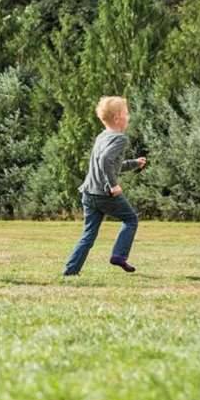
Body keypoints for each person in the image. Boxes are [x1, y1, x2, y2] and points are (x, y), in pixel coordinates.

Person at [63, 96, 146, 276]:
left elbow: (109, 165)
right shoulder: (120, 138)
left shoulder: (102, 136)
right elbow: (105, 160)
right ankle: (118, 256)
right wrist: (113, 185)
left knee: (89, 234)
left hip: (88, 192)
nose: (129, 116)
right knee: (131, 219)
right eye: (126, 113)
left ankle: (70, 271)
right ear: (117, 118)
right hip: (104, 194)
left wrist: (133, 163)